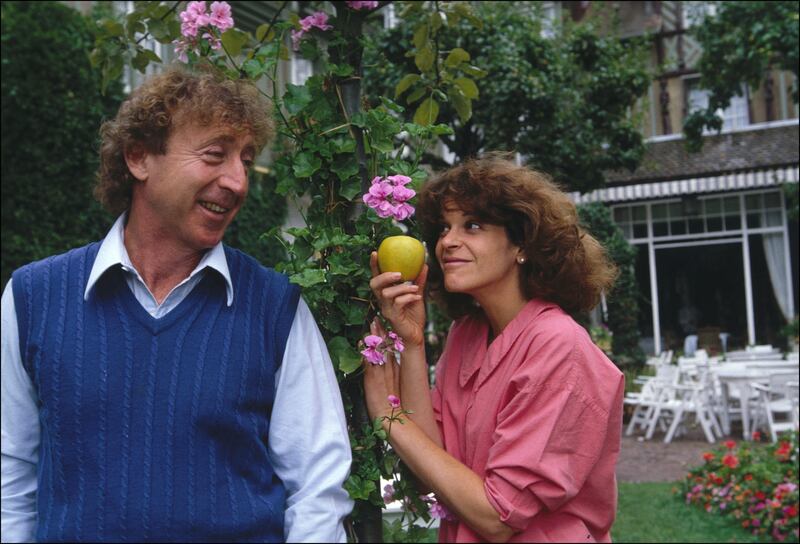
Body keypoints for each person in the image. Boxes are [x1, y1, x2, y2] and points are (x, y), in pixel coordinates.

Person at [1, 67, 353, 543]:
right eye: (215, 155)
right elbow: (10, 476)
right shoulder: (33, 298)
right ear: (139, 157)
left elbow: (317, 488)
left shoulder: (276, 308)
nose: (238, 181)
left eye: (246, 159)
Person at [364, 154, 625, 543]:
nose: (447, 242)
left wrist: (389, 418)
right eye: (445, 228)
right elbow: (429, 474)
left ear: (521, 243)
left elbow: (498, 516)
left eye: (472, 226)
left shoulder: (559, 348)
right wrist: (414, 345)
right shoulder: (467, 334)